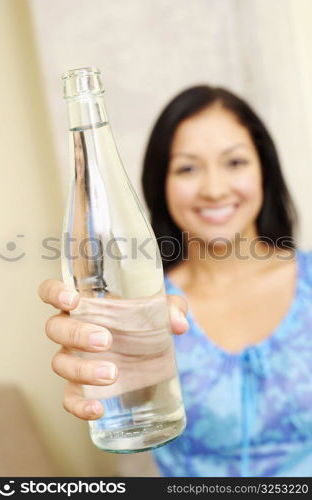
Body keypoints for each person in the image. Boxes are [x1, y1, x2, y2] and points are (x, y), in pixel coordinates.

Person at [39, 86, 312, 477]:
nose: (214, 189)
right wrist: (104, 380)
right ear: (160, 183)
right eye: (187, 168)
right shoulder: (142, 312)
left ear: (264, 169)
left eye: (234, 162)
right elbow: (128, 417)